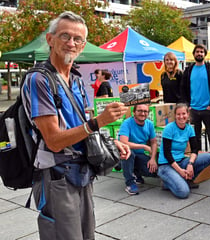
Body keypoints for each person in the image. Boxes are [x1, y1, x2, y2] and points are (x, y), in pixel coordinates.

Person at [21, 11, 130, 239]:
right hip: (57, 176)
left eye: (78, 39)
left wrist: (111, 142)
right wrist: (98, 122)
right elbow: (54, 140)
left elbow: (81, 127)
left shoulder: (77, 81)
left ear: (83, 46)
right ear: (50, 40)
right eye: (64, 36)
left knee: (86, 235)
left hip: (82, 173)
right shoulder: (39, 80)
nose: (71, 43)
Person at [157, 103, 210, 199]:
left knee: (209, 157)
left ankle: (186, 179)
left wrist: (190, 164)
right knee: (183, 192)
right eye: (178, 114)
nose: (181, 117)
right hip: (167, 165)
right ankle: (166, 183)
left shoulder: (189, 129)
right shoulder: (169, 128)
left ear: (188, 114)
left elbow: (195, 149)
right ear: (175, 115)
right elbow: (167, 154)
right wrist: (180, 171)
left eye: (183, 114)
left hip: (181, 161)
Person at [181, 44, 210, 173]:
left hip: (207, 109)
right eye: (197, 52)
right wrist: (188, 104)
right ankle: (198, 163)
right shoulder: (189, 70)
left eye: (201, 52)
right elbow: (184, 87)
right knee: (196, 137)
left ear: (205, 54)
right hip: (193, 109)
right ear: (194, 54)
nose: (199, 54)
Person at [118, 104, 158, 195]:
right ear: (134, 112)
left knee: (153, 171)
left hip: (139, 155)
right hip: (125, 154)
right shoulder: (127, 123)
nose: (142, 113)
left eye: (145, 111)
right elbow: (124, 143)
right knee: (129, 154)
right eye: (139, 111)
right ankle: (130, 183)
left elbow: (154, 142)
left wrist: (153, 159)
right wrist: (143, 146)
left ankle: (137, 174)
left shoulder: (149, 124)